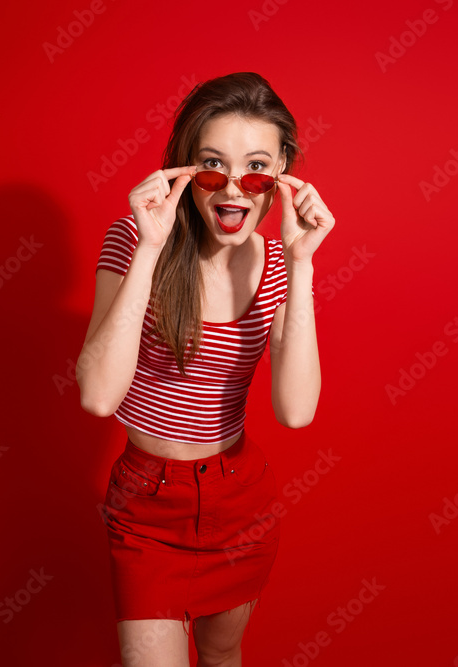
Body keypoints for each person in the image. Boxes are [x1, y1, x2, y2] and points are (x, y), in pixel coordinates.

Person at [77, 71, 335, 667]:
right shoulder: (131, 242)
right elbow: (96, 395)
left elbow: (296, 412)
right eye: (213, 166)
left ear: (281, 177)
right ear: (184, 171)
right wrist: (148, 247)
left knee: (223, 657)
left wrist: (302, 266)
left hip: (237, 502)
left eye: (256, 169)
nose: (233, 189)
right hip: (145, 508)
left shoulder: (276, 264)